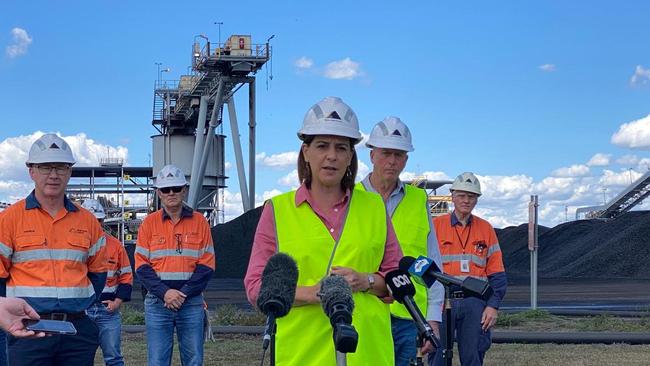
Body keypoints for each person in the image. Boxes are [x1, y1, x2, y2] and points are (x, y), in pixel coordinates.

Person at [244, 96, 402, 366]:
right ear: (306, 151)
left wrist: (365, 281)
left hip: (369, 354)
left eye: (341, 148)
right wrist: (315, 292)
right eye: (322, 146)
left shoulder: (375, 207)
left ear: (351, 155)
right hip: (302, 356)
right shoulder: (278, 210)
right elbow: (256, 288)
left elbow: (399, 279)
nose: (332, 156)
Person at [0, 133, 108, 366]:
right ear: (31, 171)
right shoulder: (9, 220)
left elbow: (98, 274)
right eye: (45, 167)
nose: (53, 174)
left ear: (69, 172)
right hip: (28, 329)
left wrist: (77, 304)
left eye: (61, 167)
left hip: (76, 331)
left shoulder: (88, 221)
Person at [357, 116, 444, 365]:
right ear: (372, 154)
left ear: (406, 159)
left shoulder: (418, 200)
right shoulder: (352, 197)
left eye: (399, 155)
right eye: (386, 153)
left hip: (409, 315)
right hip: (365, 312)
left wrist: (433, 318)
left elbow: (432, 261)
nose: (392, 161)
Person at [135, 164, 215, 366]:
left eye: (176, 188)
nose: (171, 193)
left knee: (194, 361)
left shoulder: (200, 222)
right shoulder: (148, 224)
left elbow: (207, 265)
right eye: (166, 189)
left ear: (184, 190)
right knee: (157, 361)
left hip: (191, 303)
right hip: (157, 303)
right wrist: (165, 293)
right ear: (158, 193)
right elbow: (141, 266)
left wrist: (183, 293)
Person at [430, 172, 507, 366]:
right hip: (441, 303)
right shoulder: (435, 226)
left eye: (471, 196)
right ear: (453, 196)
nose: (466, 200)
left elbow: (497, 273)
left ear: (477, 199)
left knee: (473, 357)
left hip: (475, 304)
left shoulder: (486, 229)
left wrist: (493, 305)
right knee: (437, 355)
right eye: (462, 195)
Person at [82, 199, 132, 366]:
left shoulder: (116, 246)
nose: (96, 224)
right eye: (91, 220)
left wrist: (117, 302)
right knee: (80, 357)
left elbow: (126, 277)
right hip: (81, 311)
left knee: (114, 358)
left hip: (107, 311)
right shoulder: (73, 246)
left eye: (99, 220)